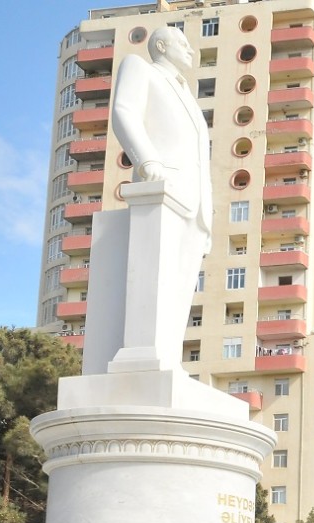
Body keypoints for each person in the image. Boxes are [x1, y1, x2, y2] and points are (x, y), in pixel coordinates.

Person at [95, 25, 213, 373]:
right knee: (152, 281)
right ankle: (145, 361)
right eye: (182, 43)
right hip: (162, 186)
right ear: (161, 45)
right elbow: (124, 112)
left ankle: (170, 363)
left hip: (194, 201)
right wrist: (148, 161)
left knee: (179, 292)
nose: (191, 50)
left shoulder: (187, 94)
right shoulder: (139, 68)